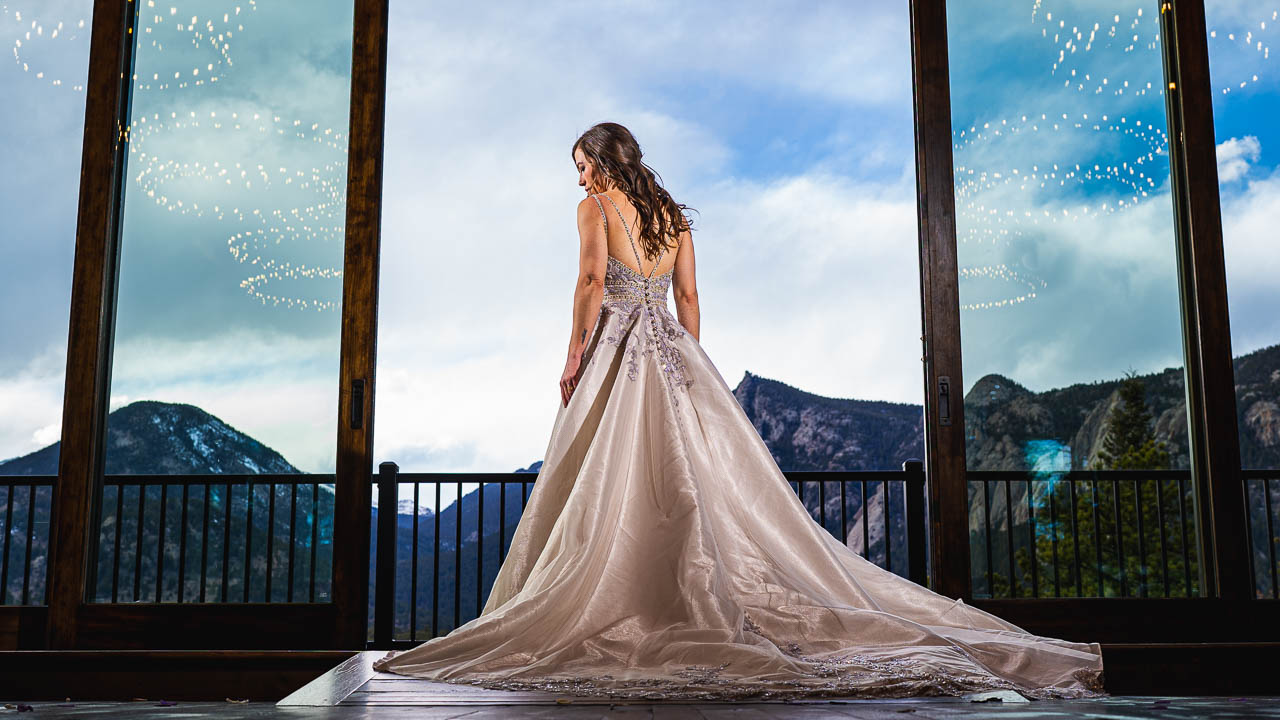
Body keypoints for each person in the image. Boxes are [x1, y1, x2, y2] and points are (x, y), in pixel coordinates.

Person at [371, 122, 1106, 701]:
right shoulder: (674, 218)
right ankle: (676, 599)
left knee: (608, 482)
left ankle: (632, 602)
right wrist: (688, 366)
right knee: (688, 483)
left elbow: (593, 279)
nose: (579, 175)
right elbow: (690, 302)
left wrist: (574, 355)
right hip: (672, 351)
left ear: (601, 162)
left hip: (619, 347)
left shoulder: (595, 208)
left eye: (582, 162)